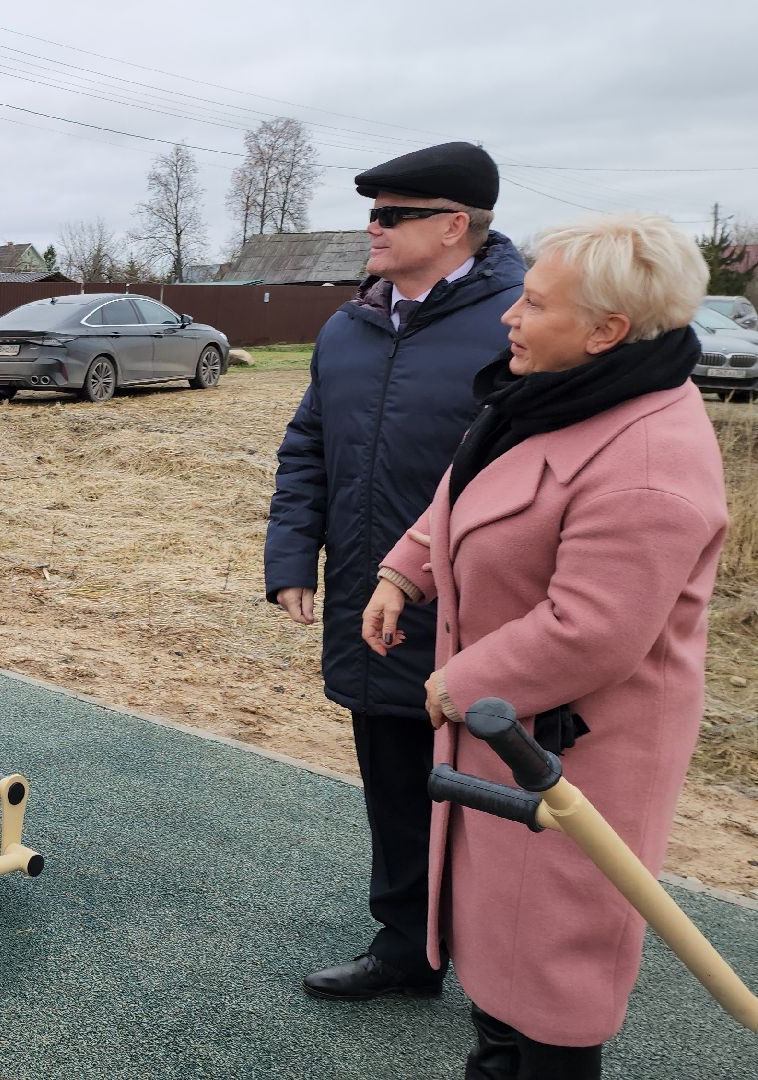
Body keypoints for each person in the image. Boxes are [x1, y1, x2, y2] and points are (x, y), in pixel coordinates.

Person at [366, 213, 725, 1078]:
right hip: (512, 733)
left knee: (554, 962)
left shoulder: (650, 459)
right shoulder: (556, 396)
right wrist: (405, 570)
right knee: (501, 937)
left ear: (606, 330)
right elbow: (472, 493)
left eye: (533, 303)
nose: (509, 316)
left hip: (578, 753)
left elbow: (592, 628)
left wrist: (457, 681)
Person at [263, 142, 527, 1001]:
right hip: (367, 599)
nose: (371, 228)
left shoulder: (522, 323)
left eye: (391, 215)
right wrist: (292, 556)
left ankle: (508, 964)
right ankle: (408, 944)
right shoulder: (349, 326)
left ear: (453, 226)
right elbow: (308, 444)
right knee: (392, 776)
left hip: (482, 611)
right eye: (371, 213)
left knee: (490, 789)